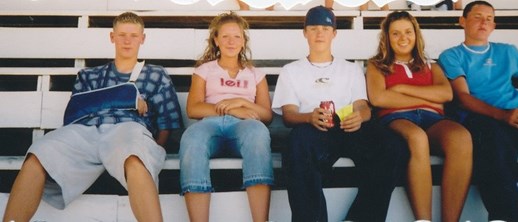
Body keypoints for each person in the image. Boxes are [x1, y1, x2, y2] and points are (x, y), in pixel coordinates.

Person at [2, 12, 183, 222]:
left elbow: (167, 123)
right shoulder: (89, 75)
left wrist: (153, 147)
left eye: (134, 35)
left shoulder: (156, 75)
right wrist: (128, 98)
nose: (127, 40)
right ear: (112, 37)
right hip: (85, 131)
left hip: (127, 130)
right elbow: (74, 113)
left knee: (136, 158)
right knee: (38, 154)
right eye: (122, 34)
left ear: (143, 39)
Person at [272, 5, 408, 222]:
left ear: (334, 34)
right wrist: (308, 117)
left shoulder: (350, 69)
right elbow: (289, 115)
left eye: (325, 29)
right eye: (314, 28)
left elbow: (363, 106)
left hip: (347, 125)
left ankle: (361, 218)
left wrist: (359, 117)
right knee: (296, 144)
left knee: (392, 146)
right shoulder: (291, 71)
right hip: (313, 128)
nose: (319, 34)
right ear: (305, 33)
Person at [438, 1, 518, 221]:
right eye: (477, 16)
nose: (484, 22)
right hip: (480, 119)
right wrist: (503, 115)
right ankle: (511, 217)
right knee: (493, 153)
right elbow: (463, 98)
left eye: (489, 18)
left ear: (494, 25)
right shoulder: (452, 56)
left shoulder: (508, 51)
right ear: (462, 21)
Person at [366, 11, 472, 221]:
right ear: (386, 37)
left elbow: (446, 94)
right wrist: (428, 99)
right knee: (417, 137)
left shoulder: (430, 65)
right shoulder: (376, 65)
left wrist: (401, 88)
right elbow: (379, 99)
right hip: (396, 119)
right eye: (395, 34)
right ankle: (423, 219)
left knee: (461, 138)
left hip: (433, 120)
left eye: (408, 32)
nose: (403, 38)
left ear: (416, 35)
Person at [178, 12, 274, 222]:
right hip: (210, 126)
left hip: (244, 127)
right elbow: (193, 109)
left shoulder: (255, 74)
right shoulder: (204, 70)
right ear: (216, 40)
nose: (231, 41)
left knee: (258, 133)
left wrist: (243, 103)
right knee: (192, 139)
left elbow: (266, 115)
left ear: (243, 41)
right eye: (225, 37)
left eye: (237, 37)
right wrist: (231, 109)